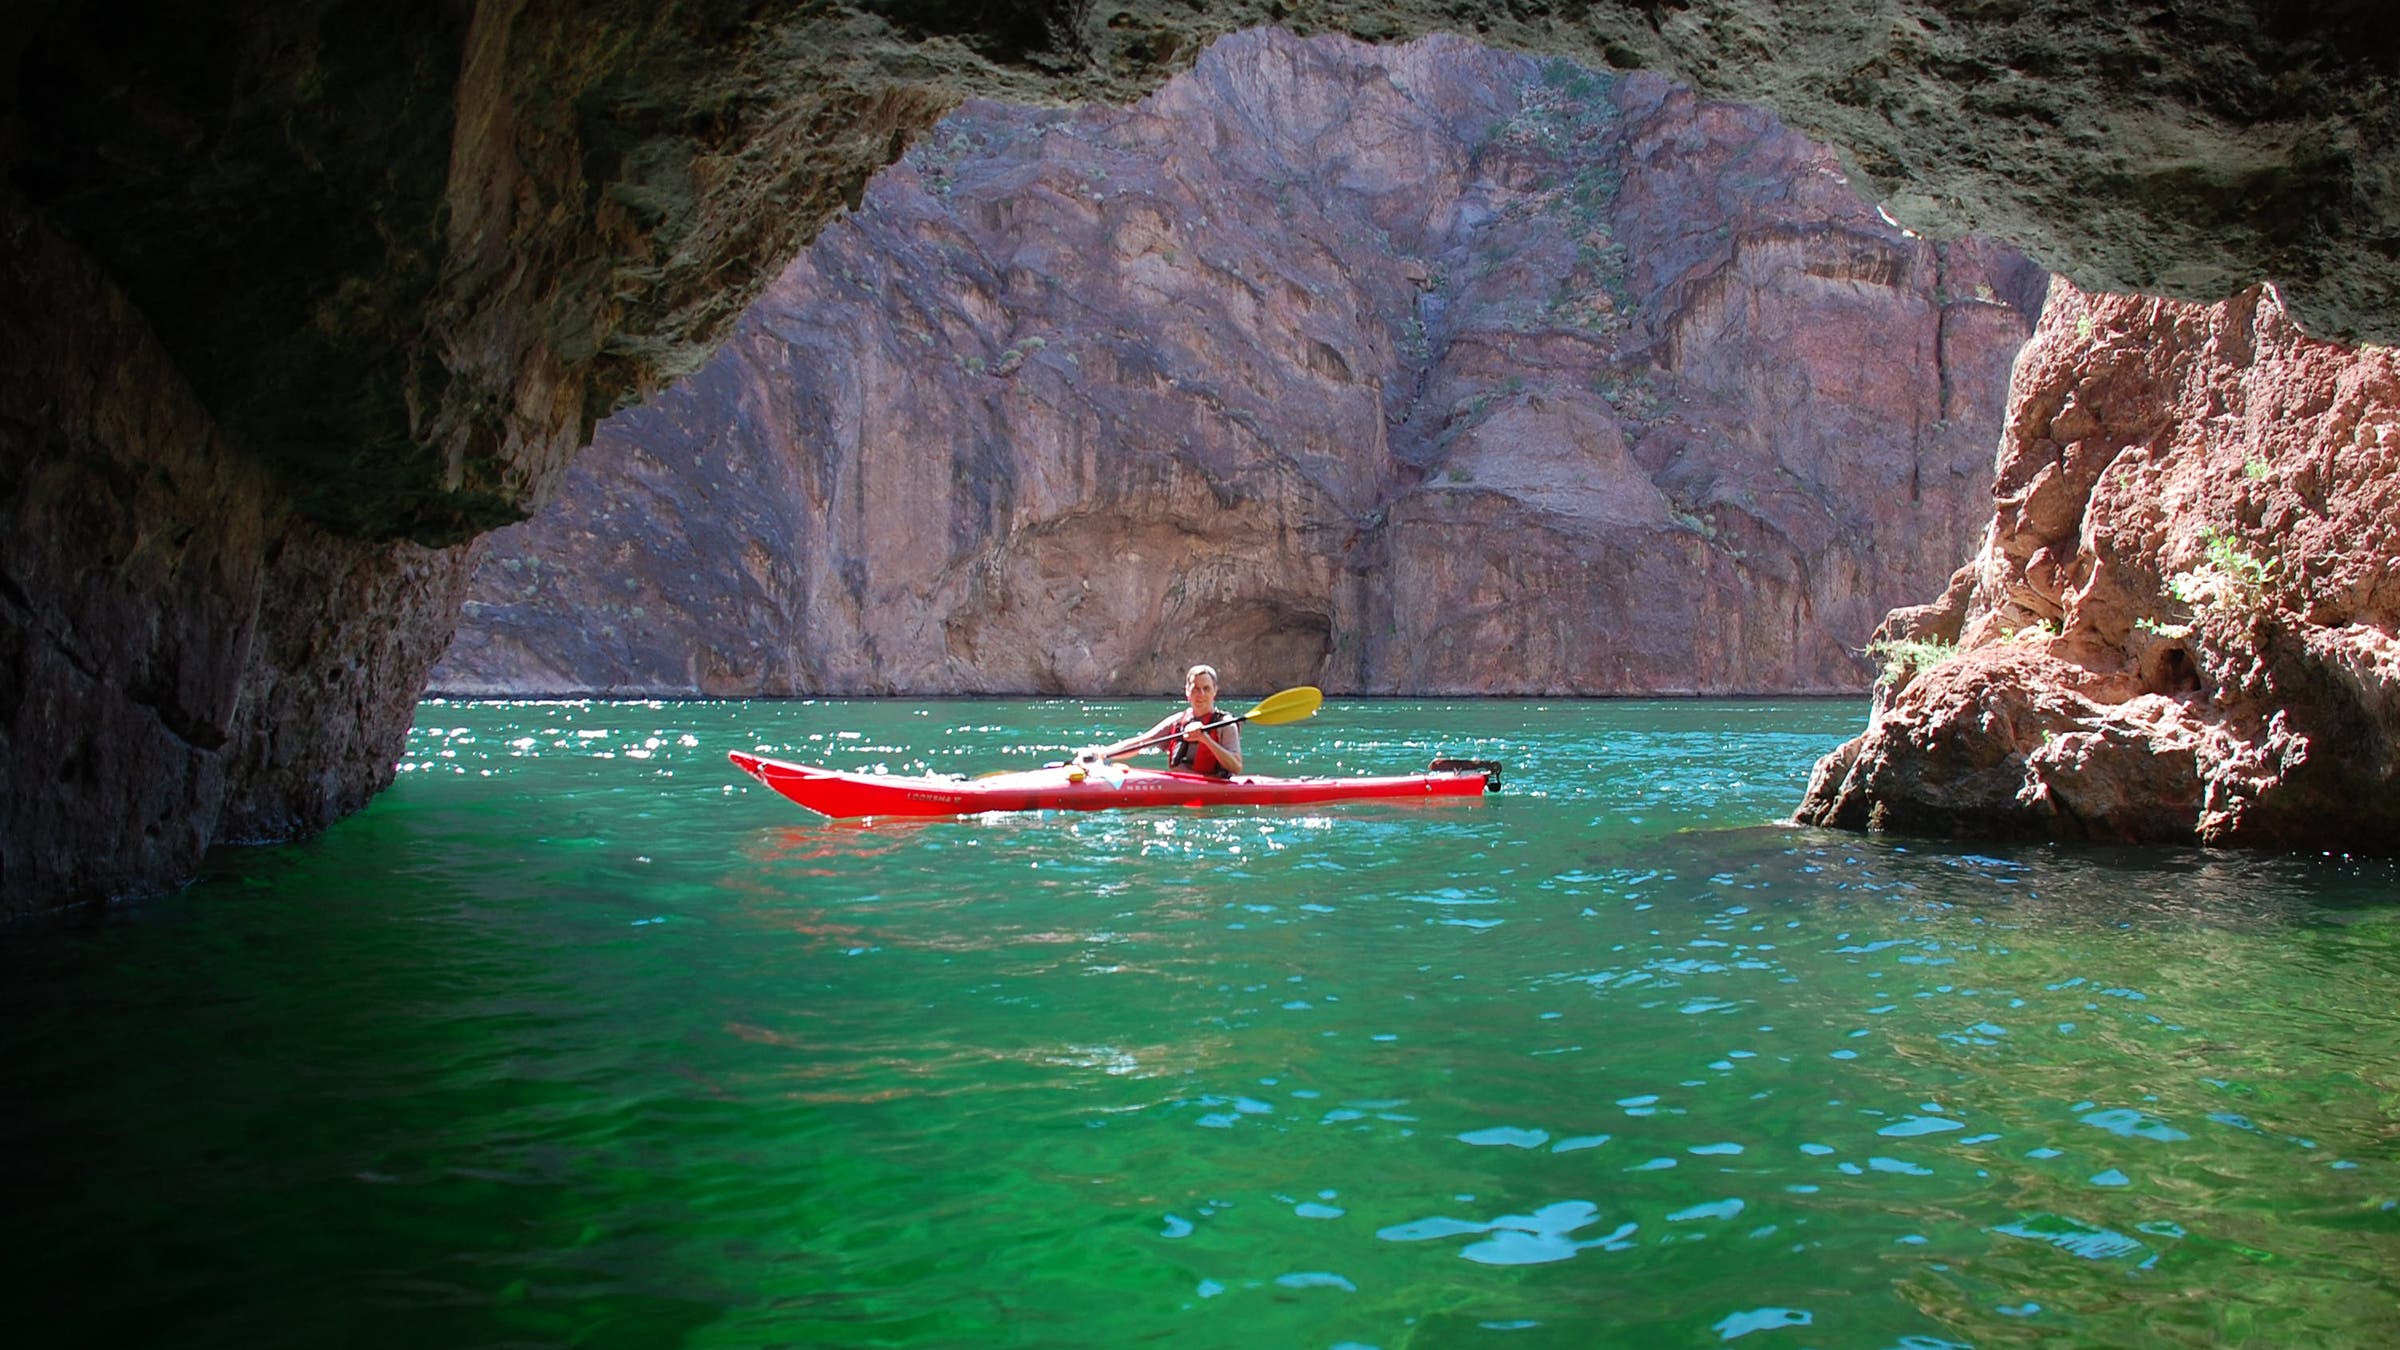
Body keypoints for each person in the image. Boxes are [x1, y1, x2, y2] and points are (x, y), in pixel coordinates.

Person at [1082, 664, 1244, 777]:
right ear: (1187, 692)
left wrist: (1205, 739)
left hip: (1213, 787)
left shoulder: (1226, 724)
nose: (1200, 694)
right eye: (1195, 688)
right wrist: (1103, 754)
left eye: (1206, 689)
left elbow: (1236, 767)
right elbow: (1141, 742)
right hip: (1179, 788)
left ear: (1215, 691)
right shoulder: (1178, 721)